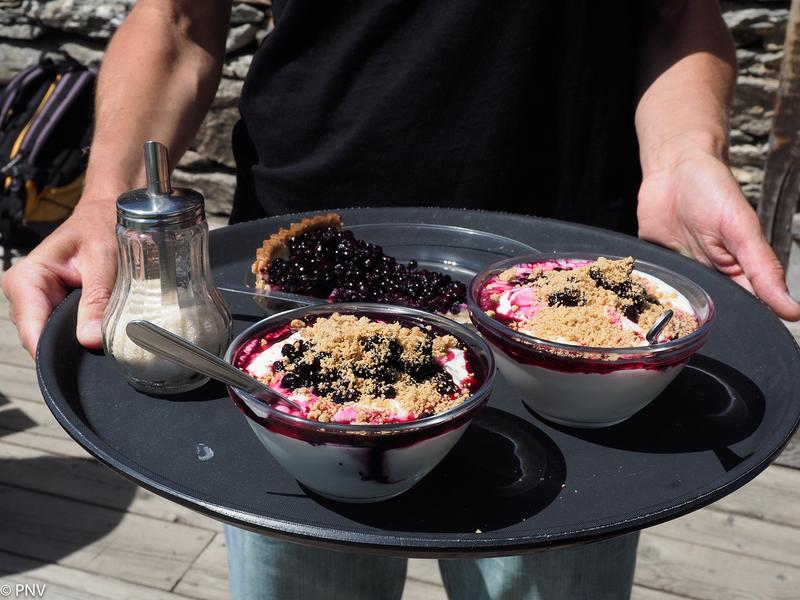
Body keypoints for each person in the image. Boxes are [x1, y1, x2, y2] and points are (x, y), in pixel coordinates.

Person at [3, 1, 799, 599]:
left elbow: (677, 16)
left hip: (566, 330)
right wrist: (111, 198)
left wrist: (683, 156)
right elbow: (177, 19)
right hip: (297, 320)